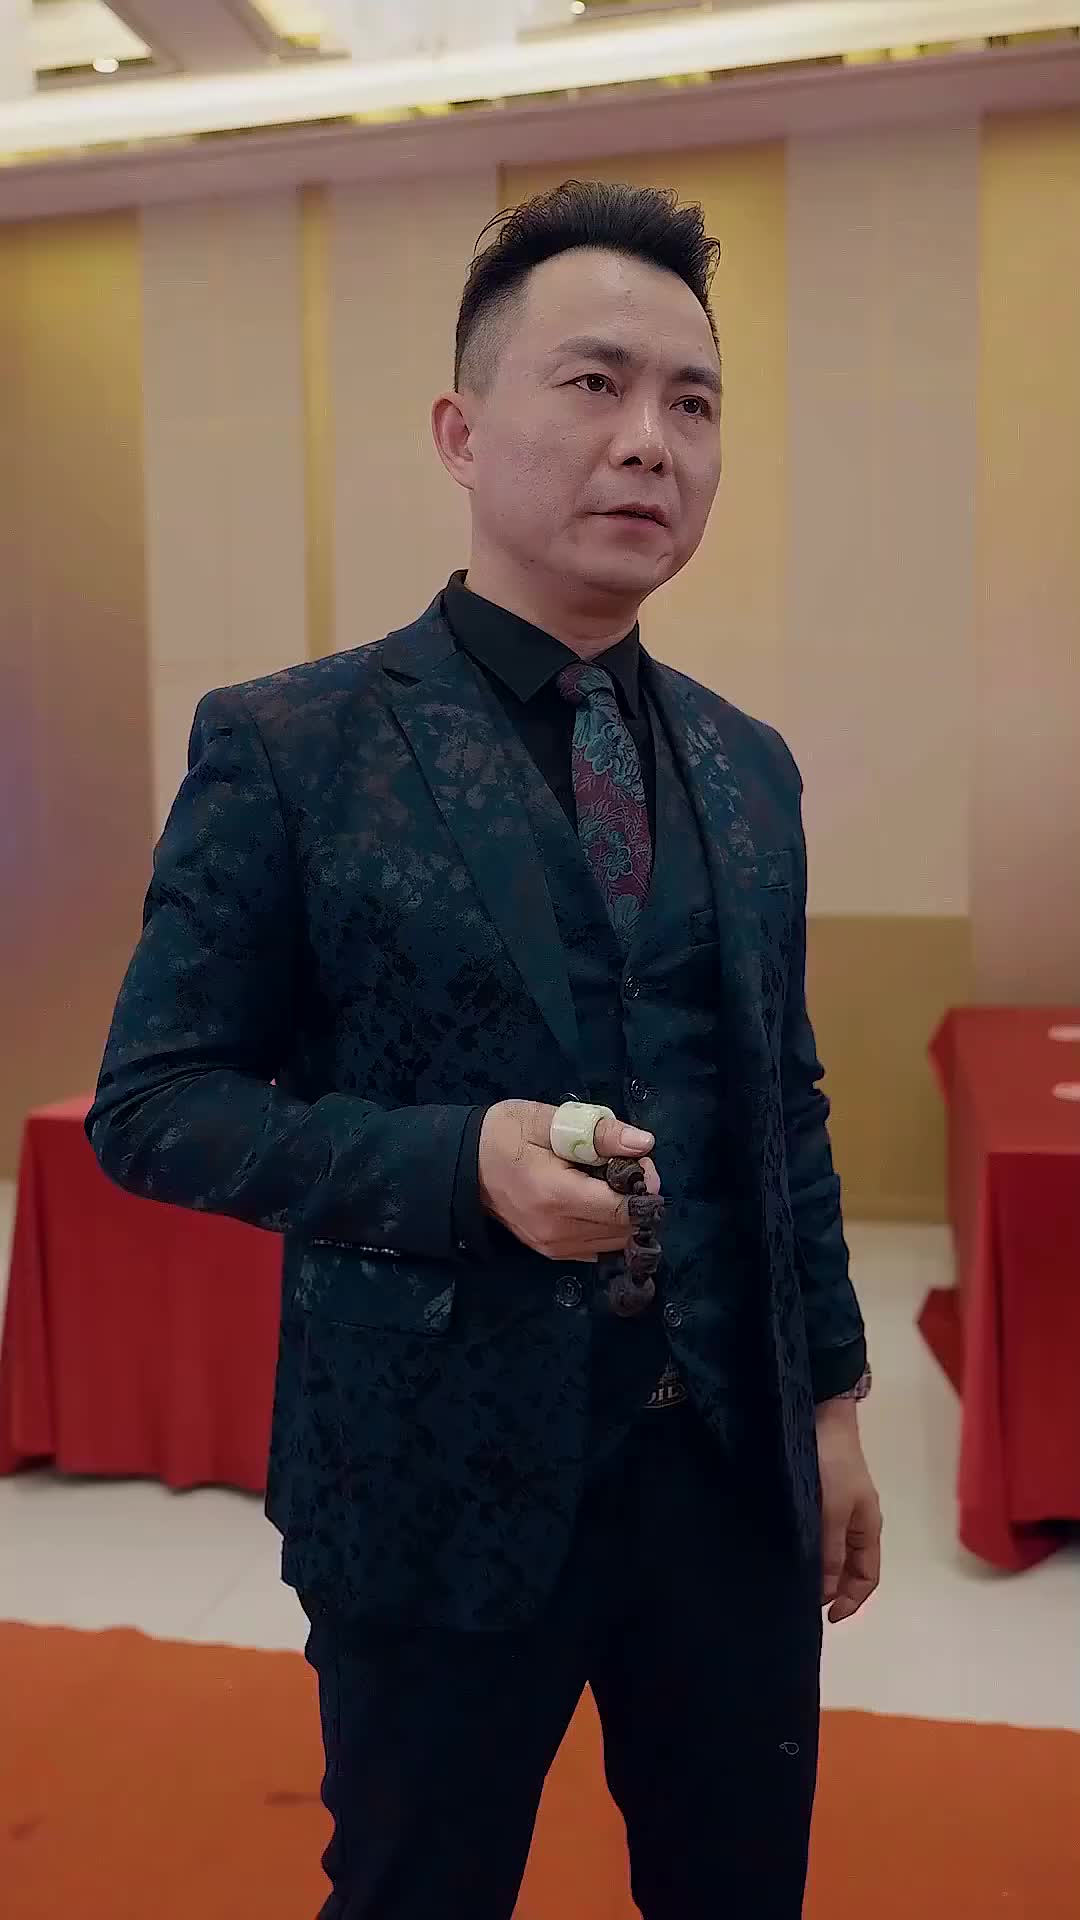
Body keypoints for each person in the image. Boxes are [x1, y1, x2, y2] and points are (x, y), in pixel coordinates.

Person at [87, 179, 882, 1918]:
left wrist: (829, 1407)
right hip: (432, 1480)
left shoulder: (749, 765)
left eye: (692, 401)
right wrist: (458, 1163)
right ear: (460, 432)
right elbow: (153, 1105)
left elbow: (785, 1107)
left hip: (729, 1480)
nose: (650, 440)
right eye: (594, 383)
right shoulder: (294, 745)